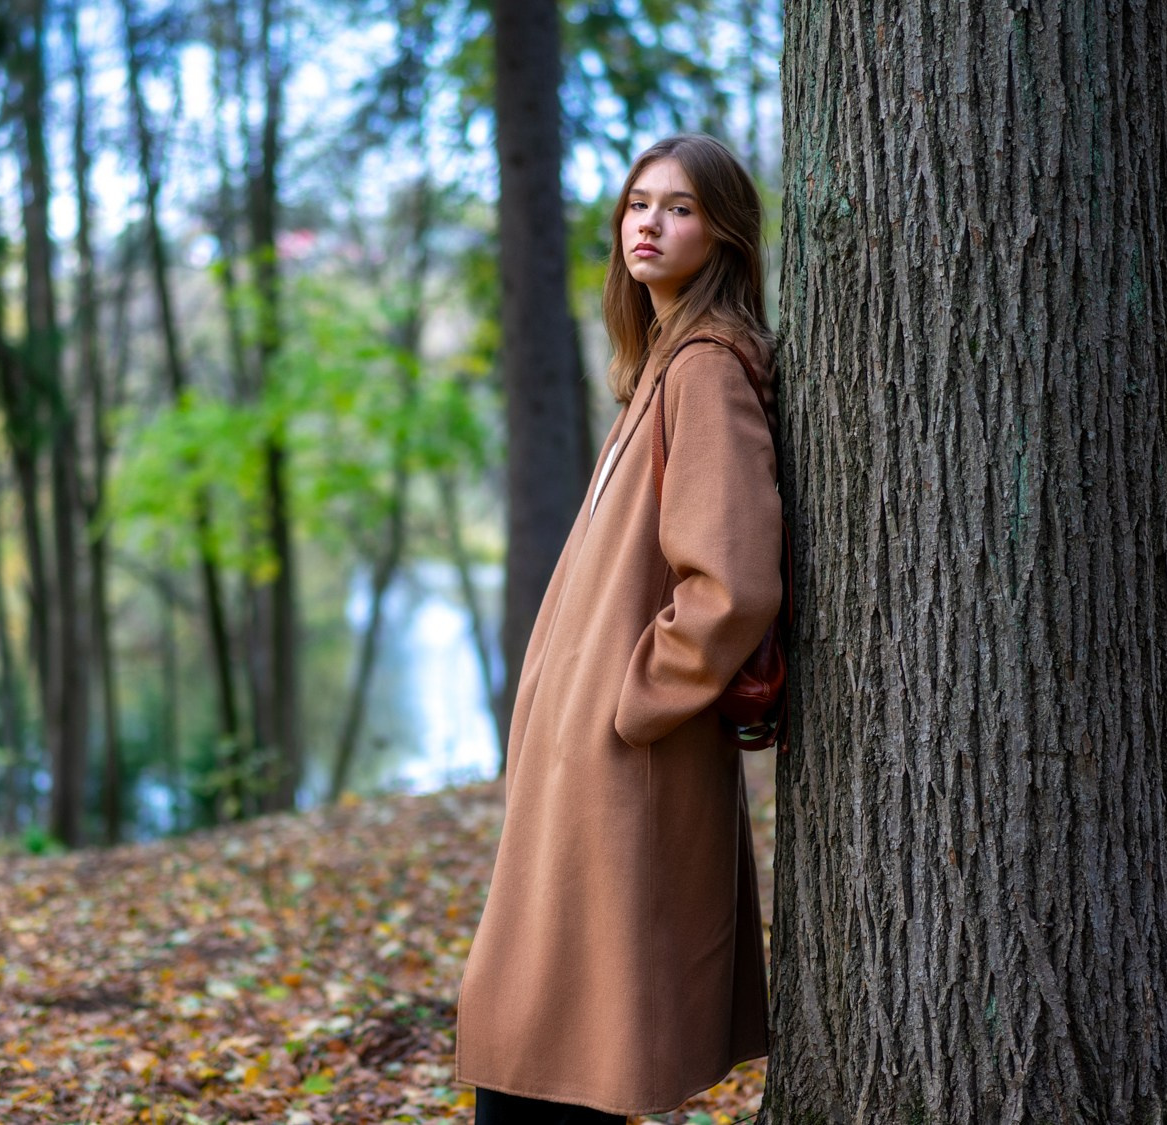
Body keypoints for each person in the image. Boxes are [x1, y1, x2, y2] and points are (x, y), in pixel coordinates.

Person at [454, 133, 781, 1124]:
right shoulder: (658, 363)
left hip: (621, 771)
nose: (648, 222)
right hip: (587, 770)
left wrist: (630, 698)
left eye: (679, 208)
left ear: (721, 232)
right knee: (548, 1051)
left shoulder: (704, 369)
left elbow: (730, 582)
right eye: (638, 203)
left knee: (559, 1059)